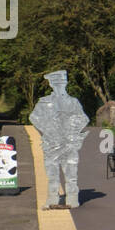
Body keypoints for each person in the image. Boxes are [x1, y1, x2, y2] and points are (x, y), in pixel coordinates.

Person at [29, 70, 88, 208]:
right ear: (51, 84)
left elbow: (84, 118)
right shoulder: (44, 102)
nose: (60, 86)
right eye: (56, 83)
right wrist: (47, 128)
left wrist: (73, 127)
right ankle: (52, 198)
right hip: (52, 144)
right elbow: (34, 117)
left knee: (71, 173)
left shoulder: (73, 102)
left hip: (68, 144)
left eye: (62, 83)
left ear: (65, 84)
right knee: (52, 174)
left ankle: (72, 198)